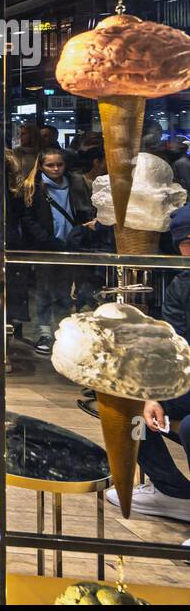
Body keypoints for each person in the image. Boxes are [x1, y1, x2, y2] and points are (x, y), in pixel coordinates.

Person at [110, 205, 190, 522]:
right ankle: (173, 492)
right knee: (124, 404)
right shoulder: (182, 285)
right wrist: (152, 393)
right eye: (185, 241)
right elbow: (173, 343)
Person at [20, 147, 97, 355]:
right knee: (44, 290)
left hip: (72, 245)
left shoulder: (75, 184)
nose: (55, 169)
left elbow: (83, 210)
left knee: (65, 291)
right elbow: (28, 220)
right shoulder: (33, 187)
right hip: (45, 247)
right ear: (41, 166)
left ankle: (61, 331)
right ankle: (44, 331)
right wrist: (46, 240)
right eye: (50, 165)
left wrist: (82, 232)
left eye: (59, 164)